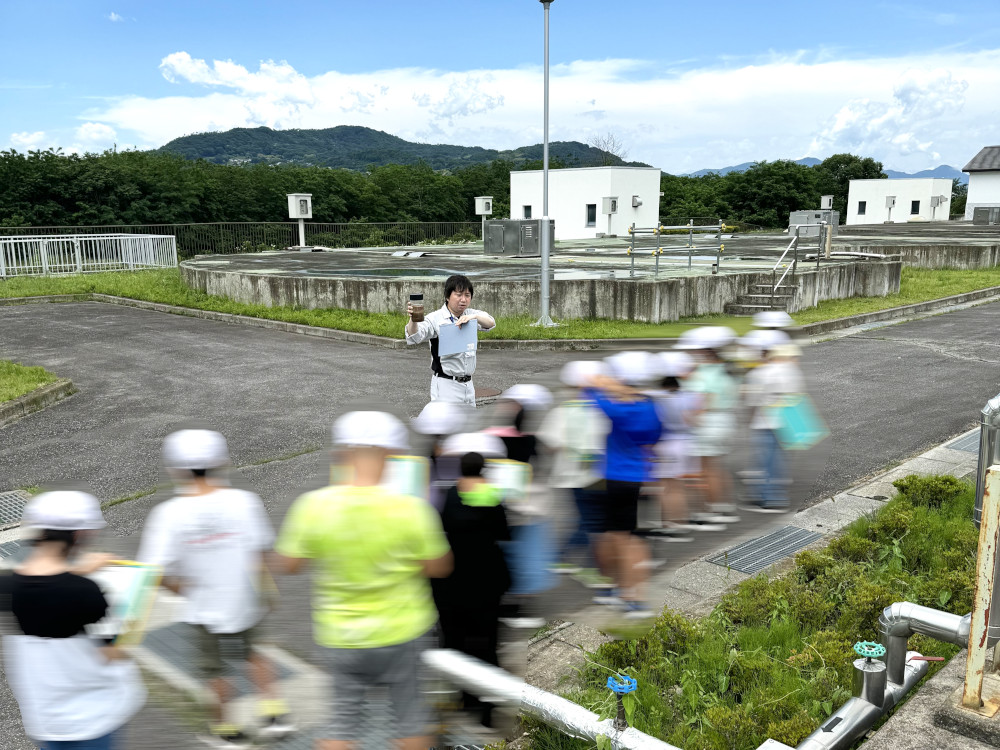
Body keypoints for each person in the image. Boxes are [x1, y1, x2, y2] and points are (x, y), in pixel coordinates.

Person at [275, 410, 453, 750]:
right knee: (411, 722)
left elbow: (289, 563)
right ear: (391, 456)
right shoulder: (412, 509)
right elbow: (439, 566)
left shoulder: (312, 506)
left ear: (341, 453)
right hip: (403, 632)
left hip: (339, 635)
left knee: (342, 725)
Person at [138, 429, 291, 748]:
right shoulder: (244, 501)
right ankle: (274, 715)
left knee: (215, 670)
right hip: (246, 600)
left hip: (204, 607)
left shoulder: (168, 515)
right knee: (255, 655)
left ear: (175, 469)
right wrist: (267, 591)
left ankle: (228, 731)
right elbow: (261, 552)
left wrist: (180, 588)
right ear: (222, 462)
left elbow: (152, 571)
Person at [0, 490, 145, 750]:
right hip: (92, 718)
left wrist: (75, 570)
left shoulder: (7, 587)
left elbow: (41, 587)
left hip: (45, 718)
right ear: (79, 535)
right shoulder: (85, 592)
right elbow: (113, 654)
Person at [431, 433, 511, 730]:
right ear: (483, 469)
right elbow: (505, 533)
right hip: (488, 577)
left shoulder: (451, 494)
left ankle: (463, 698)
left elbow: (441, 527)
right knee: (488, 641)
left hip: (453, 579)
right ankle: (488, 709)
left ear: (461, 469)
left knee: (454, 640)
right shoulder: (493, 495)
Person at [583, 351, 663, 618]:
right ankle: (615, 588)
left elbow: (590, 393)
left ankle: (631, 597)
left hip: (617, 479)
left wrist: (602, 382)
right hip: (638, 476)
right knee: (613, 534)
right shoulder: (648, 407)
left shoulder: (618, 409)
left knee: (624, 539)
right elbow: (655, 436)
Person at [537, 361, 613, 587]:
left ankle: (562, 558)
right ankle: (589, 568)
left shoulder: (562, 411)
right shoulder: (604, 410)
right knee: (596, 522)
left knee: (586, 520)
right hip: (595, 475)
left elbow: (549, 443)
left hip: (570, 476)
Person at [405, 274, 496, 406]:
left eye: (467, 295)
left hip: (468, 385)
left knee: (468, 425)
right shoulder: (436, 318)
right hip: (445, 385)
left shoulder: (470, 314)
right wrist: (413, 319)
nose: (463, 299)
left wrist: (473, 317)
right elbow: (414, 336)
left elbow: (490, 323)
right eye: (458, 295)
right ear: (447, 297)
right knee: (446, 425)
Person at [744, 342, 806, 512]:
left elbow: (753, 399)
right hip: (786, 422)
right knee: (779, 461)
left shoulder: (763, 372)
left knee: (765, 461)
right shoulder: (794, 372)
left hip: (764, 422)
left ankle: (767, 497)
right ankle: (776, 495)